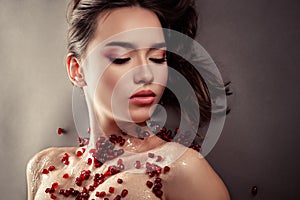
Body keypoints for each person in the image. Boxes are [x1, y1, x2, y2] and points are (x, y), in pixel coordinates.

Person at [27, 0, 231, 199]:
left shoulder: (182, 169)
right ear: (77, 70)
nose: (146, 74)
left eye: (158, 58)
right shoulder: (44, 167)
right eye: (122, 58)